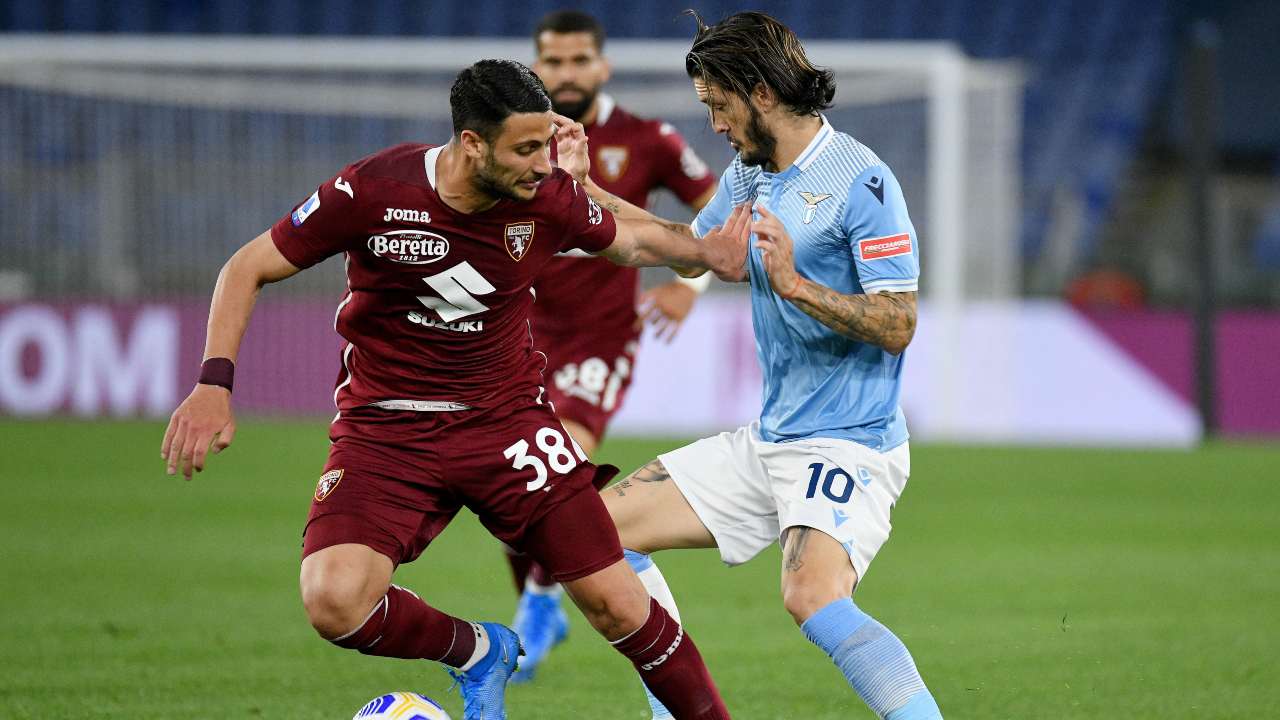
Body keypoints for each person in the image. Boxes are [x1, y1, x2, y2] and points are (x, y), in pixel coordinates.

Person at [159, 59, 747, 720]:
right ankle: (477, 651)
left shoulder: (545, 195)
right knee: (334, 601)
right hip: (387, 428)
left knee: (616, 602)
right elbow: (249, 265)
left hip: (508, 424)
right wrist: (213, 384)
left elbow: (635, 240)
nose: (540, 164)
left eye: (545, 147)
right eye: (524, 149)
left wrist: (709, 253)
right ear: (472, 144)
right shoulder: (372, 190)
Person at [556, 12, 944, 720]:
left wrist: (798, 287)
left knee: (812, 597)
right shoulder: (750, 175)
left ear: (760, 91)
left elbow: (900, 323)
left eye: (719, 104)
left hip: (849, 441)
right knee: (592, 533)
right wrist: (584, 190)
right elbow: (672, 244)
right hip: (771, 439)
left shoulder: (862, 182)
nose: (715, 123)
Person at [506, 9, 720, 685]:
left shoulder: (644, 139)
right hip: (517, 337)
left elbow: (716, 207)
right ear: (536, 66)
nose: (565, 73)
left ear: (602, 66)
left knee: (562, 460)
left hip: (600, 337)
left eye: (578, 61)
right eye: (553, 61)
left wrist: (695, 283)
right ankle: (541, 599)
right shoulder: (512, 138)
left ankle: (538, 605)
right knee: (514, 486)